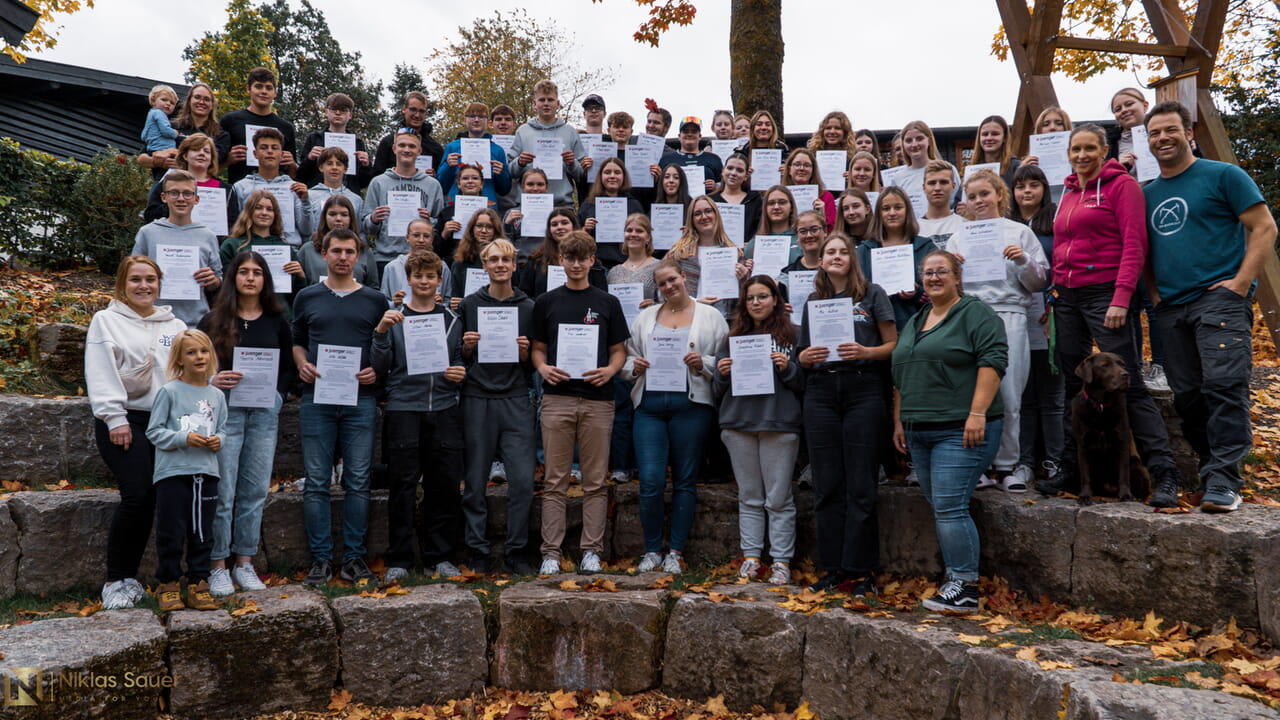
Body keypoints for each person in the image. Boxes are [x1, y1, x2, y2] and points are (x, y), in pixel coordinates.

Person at [1038, 124, 1185, 503]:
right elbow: (1062, 248)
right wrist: (1054, 295)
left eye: (1090, 148)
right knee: (1074, 386)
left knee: (1130, 383)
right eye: (1076, 149)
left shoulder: (1122, 187)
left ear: (1104, 151)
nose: (1082, 155)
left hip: (1105, 293)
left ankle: (1164, 473)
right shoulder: (1069, 192)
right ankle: (1071, 468)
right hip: (1067, 296)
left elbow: (1135, 244)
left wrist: (1121, 297)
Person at [1143, 101, 1277, 511]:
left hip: (1218, 300)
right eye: (1154, 133)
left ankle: (1225, 480)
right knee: (1187, 396)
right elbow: (1142, 249)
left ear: (1189, 133)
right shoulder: (1146, 193)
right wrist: (1153, 293)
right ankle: (1210, 467)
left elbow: (1264, 226)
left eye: (1170, 130)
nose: (1163, 138)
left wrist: (1240, 283)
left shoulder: (1222, 176)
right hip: (1171, 308)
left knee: (1224, 387)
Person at [892, 251, 1007, 613]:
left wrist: (977, 414)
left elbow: (993, 361)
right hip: (919, 429)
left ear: (958, 276)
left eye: (942, 271)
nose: (934, 277)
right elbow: (902, 372)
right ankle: (957, 580)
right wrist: (899, 421)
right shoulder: (918, 318)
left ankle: (965, 586)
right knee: (942, 505)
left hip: (962, 429)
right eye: (928, 273)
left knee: (950, 507)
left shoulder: (976, 313)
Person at [796, 233, 897, 594]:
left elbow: (893, 346)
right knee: (826, 485)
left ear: (852, 258)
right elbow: (803, 353)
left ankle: (861, 571)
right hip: (821, 393)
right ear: (820, 260)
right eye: (829, 252)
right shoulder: (813, 300)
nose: (836, 257)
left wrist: (865, 353)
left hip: (863, 391)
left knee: (860, 485)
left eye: (842, 251)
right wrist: (803, 358)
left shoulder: (872, 294)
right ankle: (834, 568)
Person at [88, 256, 188, 609]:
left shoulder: (175, 325)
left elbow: (183, 374)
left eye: (150, 279)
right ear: (122, 284)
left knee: (161, 499)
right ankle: (116, 579)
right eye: (135, 280)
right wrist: (115, 418)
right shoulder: (106, 321)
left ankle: (149, 579)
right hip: (125, 421)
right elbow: (101, 372)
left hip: (165, 424)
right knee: (137, 495)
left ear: (160, 283)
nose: (144, 286)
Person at [291, 228, 387, 586]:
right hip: (316, 397)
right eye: (336, 251)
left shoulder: (375, 300)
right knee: (317, 481)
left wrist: (375, 371)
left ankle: (354, 558)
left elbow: (383, 348)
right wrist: (301, 362)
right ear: (323, 254)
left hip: (360, 399)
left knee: (358, 481)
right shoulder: (307, 296)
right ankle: (320, 560)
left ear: (359, 256)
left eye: (350, 251)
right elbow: (298, 341)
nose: (343, 257)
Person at [530, 231, 630, 575]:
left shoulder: (607, 303)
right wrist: (543, 368)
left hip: (598, 399)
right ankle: (551, 554)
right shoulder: (547, 302)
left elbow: (619, 351)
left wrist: (610, 370)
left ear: (592, 261)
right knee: (555, 479)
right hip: (557, 397)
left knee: (595, 480)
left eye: (581, 258)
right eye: (569, 258)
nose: (575, 264)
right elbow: (538, 348)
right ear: (561, 260)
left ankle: (591, 551)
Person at [623, 258, 729, 573]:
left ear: (684, 277)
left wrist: (703, 363)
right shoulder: (645, 317)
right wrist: (635, 367)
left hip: (691, 406)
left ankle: (676, 552)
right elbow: (627, 357)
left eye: (673, 280)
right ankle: (652, 550)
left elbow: (724, 360)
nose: (669, 287)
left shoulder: (711, 316)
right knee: (651, 481)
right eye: (663, 284)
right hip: (650, 408)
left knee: (685, 481)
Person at [199, 251, 292, 596]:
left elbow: (286, 367)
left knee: (254, 491)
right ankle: (218, 565)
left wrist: (279, 395)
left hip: (264, 413)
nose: (250, 278)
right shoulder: (211, 321)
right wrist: (213, 380)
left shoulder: (277, 320)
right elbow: (195, 366)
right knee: (224, 492)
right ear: (233, 277)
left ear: (265, 279)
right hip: (226, 413)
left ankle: (245, 563)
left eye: (257, 272)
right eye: (243, 272)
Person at [372, 249, 467, 579]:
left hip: (443, 409)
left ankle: (439, 557)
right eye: (418, 276)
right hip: (403, 410)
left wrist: (460, 371)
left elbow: (458, 360)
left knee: (443, 486)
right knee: (402, 487)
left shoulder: (453, 320)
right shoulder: (394, 317)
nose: (424, 281)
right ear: (408, 279)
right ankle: (399, 559)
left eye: (430, 276)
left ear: (440, 280)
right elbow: (381, 367)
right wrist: (381, 333)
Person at [951, 170, 1048, 492]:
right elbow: (945, 286)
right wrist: (954, 267)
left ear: (999, 195)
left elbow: (1039, 283)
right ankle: (975, 464)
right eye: (973, 196)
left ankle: (1007, 465)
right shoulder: (959, 236)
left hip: (1010, 314)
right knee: (969, 392)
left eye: (984, 194)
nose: (979, 201)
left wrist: (1022, 261)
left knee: (1008, 392)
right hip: (970, 316)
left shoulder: (1018, 233)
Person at [714, 275, 803, 585]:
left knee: (779, 498)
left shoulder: (794, 335)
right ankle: (751, 558)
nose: (756, 303)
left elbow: (806, 384)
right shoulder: (733, 336)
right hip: (739, 423)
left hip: (779, 423)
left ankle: (780, 562)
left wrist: (787, 368)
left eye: (762, 296)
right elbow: (717, 388)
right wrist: (722, 373)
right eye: (750, 298)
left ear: (775, 299)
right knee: (750, 496)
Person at [458, 239, 537, 574]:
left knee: (522, 482)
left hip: (517, 397)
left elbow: (535, 363)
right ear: (484, 265)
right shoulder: (470, 305)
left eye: (506, 259)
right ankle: (477, 550)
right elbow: (457, 359)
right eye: (494, 260)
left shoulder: (530, 306)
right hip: (477, 397)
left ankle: (516, 551)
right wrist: (466, 348)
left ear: (514, 265)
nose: (500, 264)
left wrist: (525, 355)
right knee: (475, 480)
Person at [145, 328, 226, 611]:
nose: (199, 357)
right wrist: (183, 438)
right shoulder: (169, 392)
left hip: (206, 474)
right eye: (191, 352)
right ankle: (168, 584)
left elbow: (223, 428)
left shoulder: (216, 395)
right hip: (173, 474)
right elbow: (154, 431)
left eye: (203, 351)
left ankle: (199, 583)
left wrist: (219, 440)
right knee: (172, 530)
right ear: (179, 359)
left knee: (203, 531)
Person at [1107, 88, 1169, 392]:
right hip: (1123, 231)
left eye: (1128, 104)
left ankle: (1160, 364)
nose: (1123, 111)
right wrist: (1117, 166)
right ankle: (1132, 366)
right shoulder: (1112, 145)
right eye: (1117, 108)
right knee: (1129, 305)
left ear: (1145, 104)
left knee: (1153, 298)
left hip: (1158, 225)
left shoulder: (1159, 136)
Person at [1006, 163, 1063, 485]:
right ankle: (1024, 461)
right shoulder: (1007, 227)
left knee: (1052, 396)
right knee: (1023, 394)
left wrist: (1055, 301)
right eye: (1020, 186)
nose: (1026, 192)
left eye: (1033, 185)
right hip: (1017, 317)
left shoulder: (1053, 224)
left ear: (1044, 188)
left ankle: (1054, 460)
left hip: (1049, 313)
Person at [606, 214, 661, 484]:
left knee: (644, 409)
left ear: (649, 236)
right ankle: (620, 465)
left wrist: (654, 306)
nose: (634, 234)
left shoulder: (660, 268)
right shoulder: (613, 272)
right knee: (621, 411)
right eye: (629, 230)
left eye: (640, 230)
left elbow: (671, 304)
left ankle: (642, 465)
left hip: (648, 345)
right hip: (621, 346)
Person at [131, 169, 222, 326]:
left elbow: (218, 278)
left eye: (187, 193)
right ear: (164, 197)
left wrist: (212, 280)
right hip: (154, 320)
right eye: (174, 193)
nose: (181, 199)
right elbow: (131, 275)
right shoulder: (148, 233)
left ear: (196, 199)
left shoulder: (207, 235)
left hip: (195, 322)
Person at [363, 129, 446, 277]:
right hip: (385, 258)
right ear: (394, 149)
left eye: (412, 146)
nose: (407, 150)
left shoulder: (433, 185)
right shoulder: (378, 183)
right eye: (402, 145)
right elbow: (367, 227)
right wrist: (374, 219)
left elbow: (439, 225)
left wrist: (429, 222)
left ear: (419, 151)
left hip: (422, 259)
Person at [856, 187, 934, 330]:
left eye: (898, 207)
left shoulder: (925, 247)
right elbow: (856, 291)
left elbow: (938, 289)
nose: (892, 213)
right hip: (875, 330)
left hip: (919, 326)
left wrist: (918, 292)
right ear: (879, 214)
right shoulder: (865, 251)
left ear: (907, 211)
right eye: (886, 208)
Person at [228, 127, 312, 247]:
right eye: (264, 147)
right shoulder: (241, 187)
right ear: (255, 154)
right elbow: (236, 227)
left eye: (274, 148)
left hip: (288, 248)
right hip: (252, 249)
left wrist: (305, 201)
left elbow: (306, 231)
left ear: (282, 154)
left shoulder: (294, 187)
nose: (269, 151)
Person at [667, 196, 751, 312]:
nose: (704, 217)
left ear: (716, 214)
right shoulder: (678, 253)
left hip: (726, 320)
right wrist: (694, 302)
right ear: (691, 220)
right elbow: (664, 289)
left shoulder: (735, 253)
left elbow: (747, 295)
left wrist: (744, 278)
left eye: (708, 211)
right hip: (689, 317)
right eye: (697, 214)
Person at [221, 189, 306, 305]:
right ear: (249, 211)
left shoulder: (285, 248)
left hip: (280, 315)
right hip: (242, 312)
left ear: (275, 215)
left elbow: (297, 296)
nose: (264, 213)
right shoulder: (232, 245)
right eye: (258, 208)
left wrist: (300, 276)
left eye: (270, 209)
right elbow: (224, 286)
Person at [510, 79, 586, 208]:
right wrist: (519, 163)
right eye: (542, 100)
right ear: (535, 104)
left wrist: (572, 163)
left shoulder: (570, 132)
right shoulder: (523, 131)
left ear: (557, 104)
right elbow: (510, 171)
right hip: (529, 204)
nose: (546, 104)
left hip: (561, 205)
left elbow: (581, 175)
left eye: (550, 100)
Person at [220, 67, 297, 186]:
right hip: (241, 193)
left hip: (277, 194)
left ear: (275, 93)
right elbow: (211, 167)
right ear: (248, 89)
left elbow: (293, 174)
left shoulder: (286, 127)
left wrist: (291, 164)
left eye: (269, 88)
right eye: (258, 86)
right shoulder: (230, 121)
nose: (264, 91)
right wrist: (228, 160)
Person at [139, 82, 229, 172]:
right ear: (189, 101)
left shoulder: (219, 134)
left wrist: (174, 153)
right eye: (197, 97)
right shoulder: (170, 126)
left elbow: (214, 163)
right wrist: (157, 161)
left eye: (206, 99)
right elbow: (141, 158)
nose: (201, 102)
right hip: (166, 181)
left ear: (212, 105)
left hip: (198, 183)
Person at [143, 133, 229, 224]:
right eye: (195, 150)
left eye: (206, 151)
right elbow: (150, 216)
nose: (201, 153)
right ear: (185, 156)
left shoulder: (225, 189)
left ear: (211, 158)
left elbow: (232, 222)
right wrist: (174, 204)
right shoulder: (168, 183)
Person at [519, 209, 607, 297]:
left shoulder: (588, 259)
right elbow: (526, 293)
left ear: (574, 226)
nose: (559, 227)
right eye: (554, 224)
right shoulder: (537, 260)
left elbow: (601, 293)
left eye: (564, 223)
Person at [438, 102, 513, 206]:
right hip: (456, 204)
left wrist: (501, 174)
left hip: (487, 206)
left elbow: (504, 190)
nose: (477, 120)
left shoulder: (497, 150)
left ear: (488, 122)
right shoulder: (453, 147)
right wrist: (448, 166)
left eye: (481, 117)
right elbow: (441, 185)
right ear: (465, 120)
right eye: (472, 116)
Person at [296, 92, 373, 191]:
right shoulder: (315, 138)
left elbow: (363, 182)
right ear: (326, 112)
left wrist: (366, 165)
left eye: (343, 110)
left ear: (350, 115)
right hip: (318, 195)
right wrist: (310, 159)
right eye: (333, 109)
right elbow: (301, 176)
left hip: (348, 197)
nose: (338, 113)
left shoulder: (357, 143)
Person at [579, 157, 645, 267]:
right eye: (607, 172)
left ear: (624, 177)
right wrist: (585, 229)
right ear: (600, 176)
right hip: (596, 265)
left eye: (617, 172)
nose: (612, 176)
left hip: (627, 264)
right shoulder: (589, 204)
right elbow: (576, 239)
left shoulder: (634, 205)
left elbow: (643, 236)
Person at [299, 195, 377, 287]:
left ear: (351, 218)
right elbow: (299, 287)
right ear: (324, 217)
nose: (338, 219)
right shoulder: (308, 250)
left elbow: (373, 289)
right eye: (332, 214)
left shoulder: (364, 251)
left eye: (344, 215)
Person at [371, 91, 444, 178]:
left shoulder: (435, 148)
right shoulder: (388, 142)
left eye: (421, 111)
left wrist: (434, 177)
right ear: (404, 109)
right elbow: (377, 175)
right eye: (413, 109)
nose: (417, 115)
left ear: (426, 114)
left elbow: (442, 182)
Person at [384, 218, 453, 308]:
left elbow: (448, 300)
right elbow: (384, 301)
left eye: (426, 236)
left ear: (432, 239)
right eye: (416, 235)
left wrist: (441, 305)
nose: (421, 240)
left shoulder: (442, 266)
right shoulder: (392, 267)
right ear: (407, 238)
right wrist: (394, 303)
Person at [436, 164, 498, 261]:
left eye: (475, 178)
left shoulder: (491, 213)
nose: (470, 181)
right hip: (453, 261)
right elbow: (436, 250)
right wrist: (445, 233)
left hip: (483, 261)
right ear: (459, 184)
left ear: (481, 184)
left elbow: (499, 240)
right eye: (465, 178)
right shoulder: (447, 212)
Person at [449, 209, 505, 308]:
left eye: (489, 227)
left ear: (496, 230)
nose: (483, 231)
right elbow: (454, 296)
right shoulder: (459, 263)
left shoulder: (505, 262)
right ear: (472, 229)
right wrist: (455, 303)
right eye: (479, 226)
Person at [708, 152, 762, 246]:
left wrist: (751, 245)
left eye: (739, 170)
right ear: (723, 171)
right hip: (716, 255)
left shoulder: (756, 200)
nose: (733, 173)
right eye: (730, 168)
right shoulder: (710, 201)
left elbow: (762, 228)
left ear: (746, 176)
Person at [659, 116, 723, 195]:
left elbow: (725, 185)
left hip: (705, 205)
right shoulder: (666, 159)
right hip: (675, 205)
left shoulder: (714, 159)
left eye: (694, 131)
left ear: (700, 136)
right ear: (679, 136)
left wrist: (716, 186)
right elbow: (658, 186)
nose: (689, 134)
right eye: (685, 131)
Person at [502, 168, 553, 264]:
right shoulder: (512, 214)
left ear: (547, 187)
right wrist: (507, 225)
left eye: (540, 184)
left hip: (546, 264)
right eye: (530, 184)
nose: (535, 188)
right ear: (522, 187)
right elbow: (503, 245)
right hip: (520, 265)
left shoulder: (555, 214)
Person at [306, 147, 364, 230]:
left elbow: (359, 231)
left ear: (345, 169)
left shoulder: (356, 199)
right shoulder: (309, 196)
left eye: (339, 164)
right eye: (329, 164)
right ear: (321, 167)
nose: (334, 167)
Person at [782, 147, 836, 228]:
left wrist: (822, 217)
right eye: (797, 164)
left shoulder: (826, 197)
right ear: (789, 169)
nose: (802, 168)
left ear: (813, 170)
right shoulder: (781, 196)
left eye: (807, 165)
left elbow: (833, 231)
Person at [917, 160, 964, 251]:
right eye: (932, 183)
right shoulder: (914, 228)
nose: (937, 188)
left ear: (953, 186)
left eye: (943, 182)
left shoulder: (965, 224)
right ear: (924, 188)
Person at [746, 186, 798, 262]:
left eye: (782, 202)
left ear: (791, 207)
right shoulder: (753, 246)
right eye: (771, 203)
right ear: (765, 208)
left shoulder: (802, 240)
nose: (776, 207)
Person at [969, 115, 1022, 188]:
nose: (989, 138)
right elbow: (959, 197)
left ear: (1005, 138)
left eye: (995, 134)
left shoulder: (1016, 167)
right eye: (985, 134)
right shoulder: (972, 170)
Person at [141, 85, 181, 177]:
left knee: (158, 175)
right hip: (163, 149)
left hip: (152, 149)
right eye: (164, 100)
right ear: (153, 100)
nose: (168, 104)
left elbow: (143, 135)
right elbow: (165, 131)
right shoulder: (160, 114)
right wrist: (175, 133)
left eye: (172, 103)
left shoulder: (151, 113)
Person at [490, 104, 522, 215]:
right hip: (492, 203)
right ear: (491, 124)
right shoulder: (485, 146)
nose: (503, 123)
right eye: (498, 119)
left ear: (514, 125)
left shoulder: (522, 146)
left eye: (508, 119)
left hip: (516, 204)